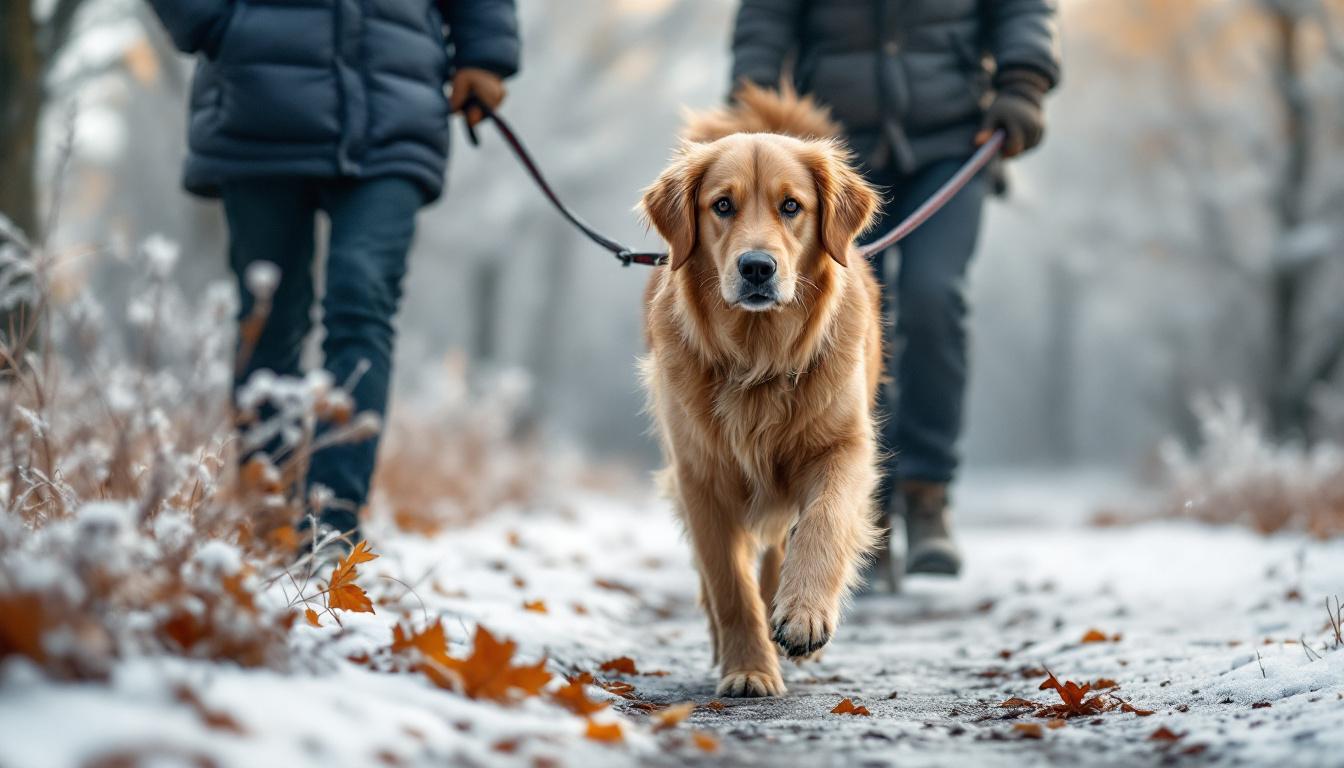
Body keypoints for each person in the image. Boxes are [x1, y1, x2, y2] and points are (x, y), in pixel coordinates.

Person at [148, 0, 520, 546]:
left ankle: (333, 528)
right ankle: (267, 519)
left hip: (395, 107)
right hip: (259, 101)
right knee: (269, 317)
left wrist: (484, 54)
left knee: (363, 299)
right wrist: (217, 23)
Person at [730, 0, 1059, 585]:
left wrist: (1023, 83)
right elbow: (764, 19)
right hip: (832, 148)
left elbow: (1022, 8)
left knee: (937, 296)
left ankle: (927, 493)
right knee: (842, 316)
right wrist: (751, 106)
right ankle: (860, 501)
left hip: (954, 142)